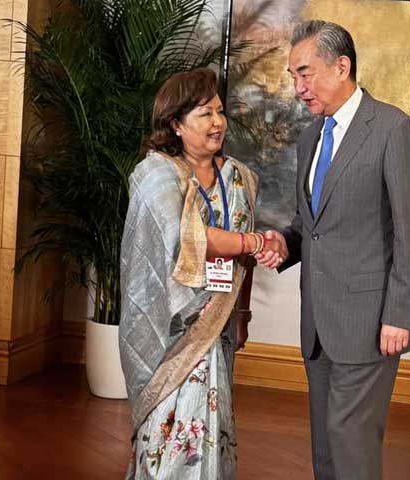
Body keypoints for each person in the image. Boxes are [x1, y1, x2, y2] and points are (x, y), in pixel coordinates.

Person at [257, 20, 410, 479]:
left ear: (341, 66)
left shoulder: (394, 130)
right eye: (293, 77)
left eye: (305, 74)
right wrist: (285, 242)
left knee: (352, 445)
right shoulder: (311, 138)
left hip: (369, 322)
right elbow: (311, 226)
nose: (298, 88)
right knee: (326, 450)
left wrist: (401, 315)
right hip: (317, 324)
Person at [119, 68, 287, 480]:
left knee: (213, 422)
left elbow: (243, 264)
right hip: (170, 327)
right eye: (204, 114)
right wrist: (253, 241)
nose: (217, 123)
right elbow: (186, 237)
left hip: (219, 324)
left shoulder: (239, 178)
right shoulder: (155, 175)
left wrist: (242, 314)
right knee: (170, 429)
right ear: (175, 124)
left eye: (220, 112)